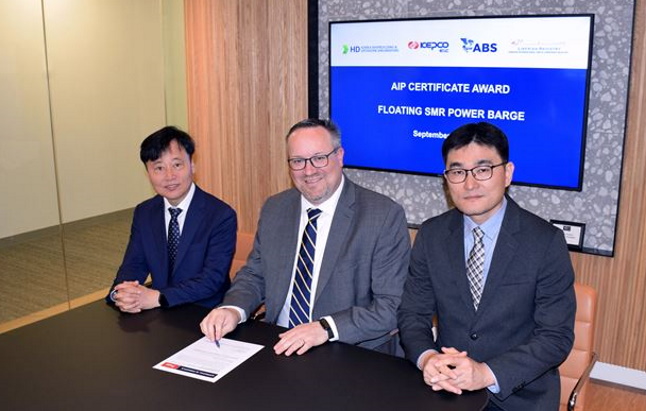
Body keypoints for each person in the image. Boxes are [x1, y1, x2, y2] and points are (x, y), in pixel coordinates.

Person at [397, 122, 576, 410]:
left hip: (519, 396)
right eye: (458, 172)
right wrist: (428, 358)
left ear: (507, 173)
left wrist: (485, 373)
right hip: (447, 387)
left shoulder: (545, 241)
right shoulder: (431, 234)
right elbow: (412, 314)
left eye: (483, 170)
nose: (469, 184)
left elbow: (555, 337)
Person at [200, 118, 410, 356]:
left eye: (319, 158)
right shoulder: (275, 208)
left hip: (348, 351)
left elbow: (392, 305)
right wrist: (232, 309)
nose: (309, 171)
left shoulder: (382, 215)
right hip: (278, 343)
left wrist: (325, 328)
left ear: (340, 156)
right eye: (298, 161)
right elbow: (254, 275)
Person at [107, 126, 237, 313]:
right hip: (159, 312)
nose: (169, 176)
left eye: (177, 165)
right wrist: (120, 294)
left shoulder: (220, 215)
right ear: (148, 173)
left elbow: (211, 280)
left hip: (205, 313)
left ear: (192, 165)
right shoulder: (145, 212)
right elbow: (133, 265)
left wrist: (158, 297)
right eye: (159, 168)